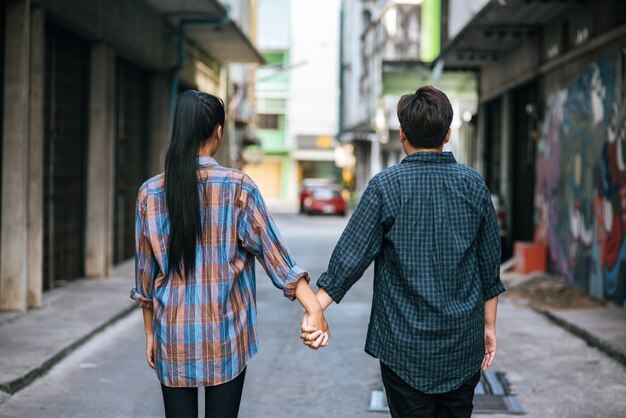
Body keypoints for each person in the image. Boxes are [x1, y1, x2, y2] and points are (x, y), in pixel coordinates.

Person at [302, 85, 505, 418]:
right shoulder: (474, 184)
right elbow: (489, 267)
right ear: (448, 134)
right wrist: (490, 327)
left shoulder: (386, 186)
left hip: (402, 344)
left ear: (401, 135)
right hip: (462, 344)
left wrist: (315, 308)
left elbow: (350, 258)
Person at [131, 90, 329, 418]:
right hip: (225, 338)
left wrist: (151, 333)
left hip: (173, 337)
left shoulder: (149, 193)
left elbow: (145, 279)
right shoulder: (239, 187)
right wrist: (314, 309)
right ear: (218, 132)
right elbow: (277, 258)